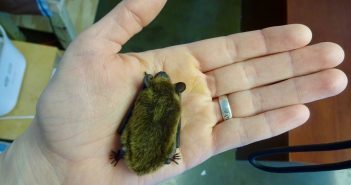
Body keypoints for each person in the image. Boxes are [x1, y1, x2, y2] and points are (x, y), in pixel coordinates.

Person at [0, 0, 347, 184]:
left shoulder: (151, 96)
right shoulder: (166, 104)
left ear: (148, 87)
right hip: (141, 156)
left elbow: (141, 120)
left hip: (142, 154)